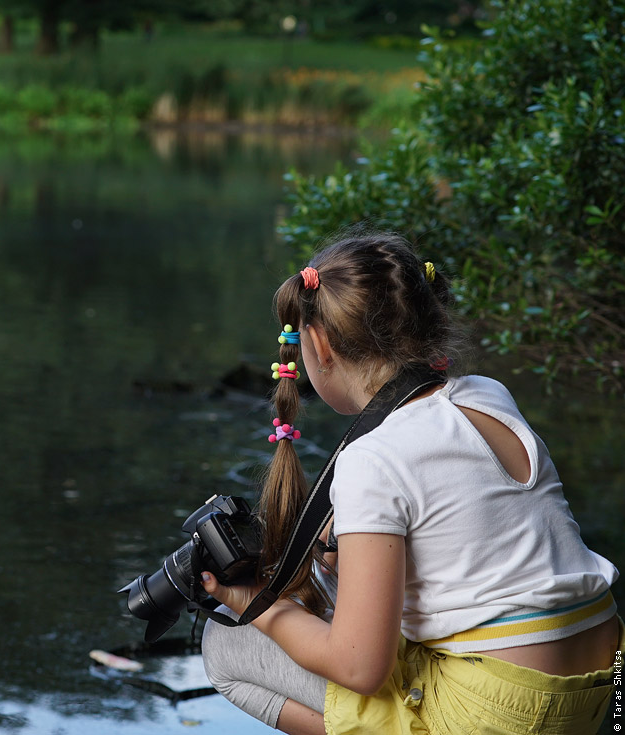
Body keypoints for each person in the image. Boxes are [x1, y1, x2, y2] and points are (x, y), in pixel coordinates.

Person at [200, 230, 620, 735]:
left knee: (225, 647)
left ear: (317, 343)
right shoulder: (489, 395)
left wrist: (253, 607)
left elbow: (361, 667)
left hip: (505, 710)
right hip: (606, 681)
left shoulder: (371, 459)